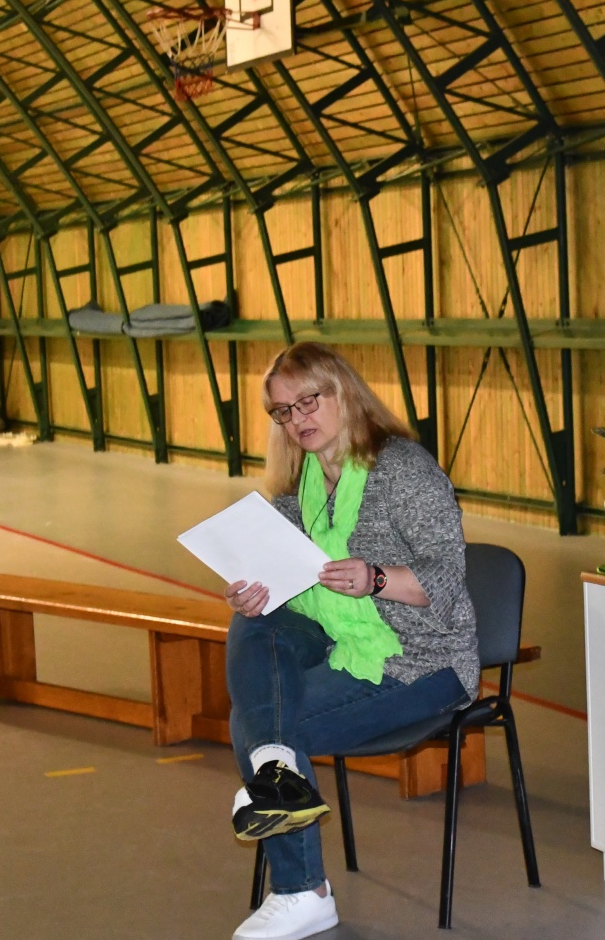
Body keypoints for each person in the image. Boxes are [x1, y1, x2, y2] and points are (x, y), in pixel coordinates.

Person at [223, 343, 477, 940]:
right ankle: (278, 776)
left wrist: (376, 578)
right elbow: (282, 574)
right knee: (253, 626)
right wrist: (251, 591)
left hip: (422, 661)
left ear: (342, 392)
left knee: (258, 723)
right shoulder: (298, 485)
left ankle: (302, 891)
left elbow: (447, 577)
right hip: (341, 638)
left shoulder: (404, 471)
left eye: (308, 401)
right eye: (283, 411)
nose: (297, 419)